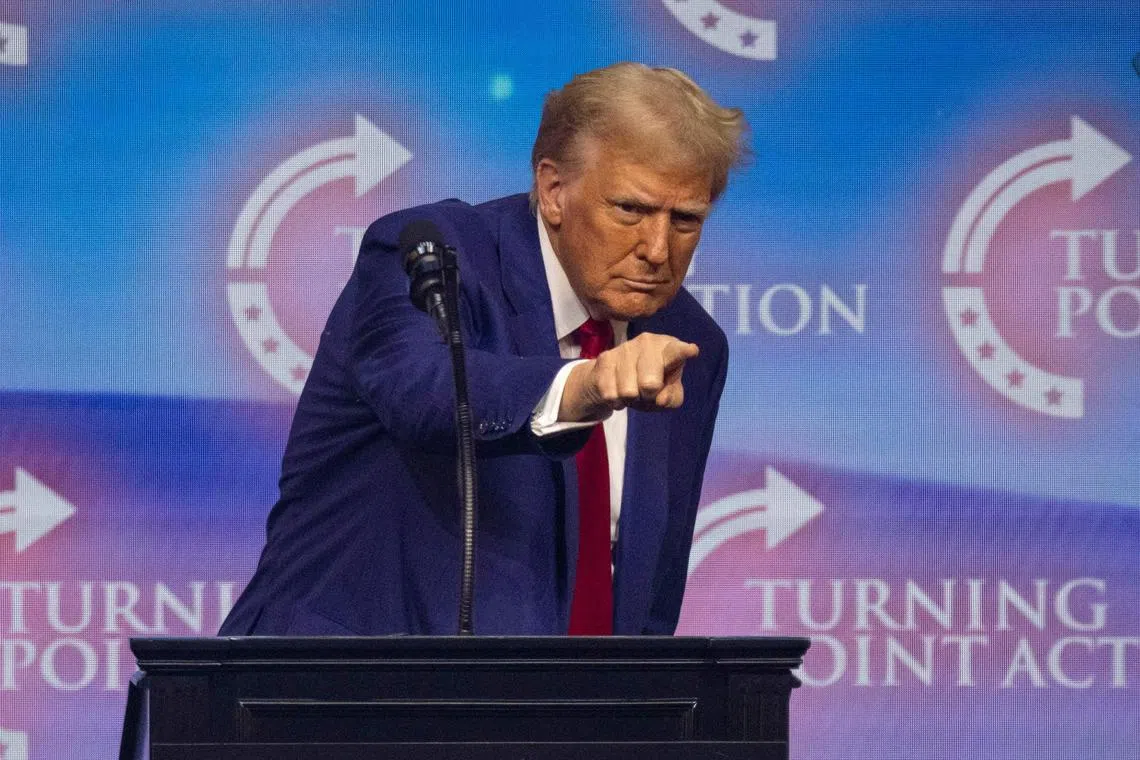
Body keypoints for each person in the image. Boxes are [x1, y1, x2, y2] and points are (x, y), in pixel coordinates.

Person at [219, 62, 747, 637]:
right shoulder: (430, 256)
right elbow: (426, 394)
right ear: (553, 191)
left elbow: (648, 591)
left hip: (563, 719)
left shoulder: (692, 344)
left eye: (686, 220)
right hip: (332, 699)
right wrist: (583, 386)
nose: (657, 248)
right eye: (630, 210)